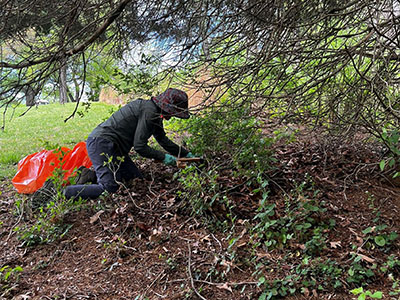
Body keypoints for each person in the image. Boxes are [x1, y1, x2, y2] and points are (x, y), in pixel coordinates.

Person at [64, 88, 195, 200]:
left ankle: (91, 176)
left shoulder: (154, 113)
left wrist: (187, 154)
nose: (172, 116)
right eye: (173, 112)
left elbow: (163, 140)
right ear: (166, 107)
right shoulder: (150, 112)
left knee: (134, 179)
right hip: (101, 144)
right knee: (110, 187)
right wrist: (163, 157)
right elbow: (140, 146)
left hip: (116, 149)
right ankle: (67, 192)